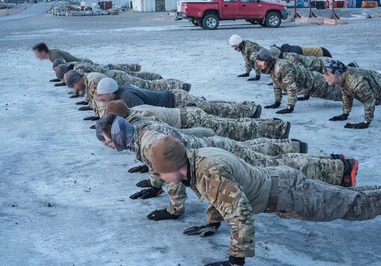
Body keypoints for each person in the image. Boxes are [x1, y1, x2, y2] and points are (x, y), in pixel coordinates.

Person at [147, 137, 381, 266]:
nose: (161, 178)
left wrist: (235, 261)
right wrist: (212, 223)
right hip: (283, 185)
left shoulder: (208, 173)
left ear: (175, 166)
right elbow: (217, 196)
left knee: (355, 205)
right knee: (354, 199)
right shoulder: (197, 158)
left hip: (290, 196)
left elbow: (241, 215)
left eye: (162, 172)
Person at [96, 113, 356, 220]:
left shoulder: (150, 143)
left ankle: (340, 168)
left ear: (117, 137)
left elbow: (171, 174)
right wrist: (154, 187)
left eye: (108, 141)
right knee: (268, 159)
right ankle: (309, 151)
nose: (108, 146)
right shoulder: (139, 133)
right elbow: (156, 168)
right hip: (212, 147)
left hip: (218, 152)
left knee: (275, 166)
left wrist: (174, 210)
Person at [105, 100, 290, 142]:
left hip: (190, 120)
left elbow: (169, 133)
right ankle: (272, 124)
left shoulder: (143, 117)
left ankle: (277, 128)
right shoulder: (135, 111)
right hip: (188, 116)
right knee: (231, 126)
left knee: (234, 129)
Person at [96, 77, 260, 119]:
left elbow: (141, 113)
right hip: (174, 99)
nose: (101, 98)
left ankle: (249, 109)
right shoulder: (121, 92)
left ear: (111, 92)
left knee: (212, 108)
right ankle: (247, 108)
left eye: (102, 95)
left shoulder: (127, 96)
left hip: (177, 100)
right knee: (210, 106)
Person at [255, 48, 340, 114]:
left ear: (267, 61)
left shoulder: (281, 67)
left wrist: (290, 107)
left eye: (260, 62)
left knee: (341, 93)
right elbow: (277, 84)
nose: (258, 65)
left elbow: (291, 87)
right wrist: (277, 102)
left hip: (315, 84)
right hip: (308, 86)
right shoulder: (273, 68)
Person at [321, 60, 381, 129]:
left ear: (337, 74)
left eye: (327, 74)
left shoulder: (356, 82)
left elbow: (369, 100)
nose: (325, 77)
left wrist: (366, 121)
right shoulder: (343, 77)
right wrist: (345, 113)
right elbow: (347, 94)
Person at [55, 64, 189, 93]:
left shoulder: (83, 72)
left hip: (119, 78)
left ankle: (180, 85)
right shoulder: (80, 75)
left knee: (149, 85)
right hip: (115, 78)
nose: (75, 89)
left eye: (74, 86)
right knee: (147, 84)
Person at [31, 42, 140, 73]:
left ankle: (132, 68)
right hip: (82, 63)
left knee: (107, 69)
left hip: (84, 65)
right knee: (106, 68)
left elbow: (65, 67)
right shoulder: (53, 53)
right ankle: (132, 67)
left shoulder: (54, 56)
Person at [52, 57, 163, 82]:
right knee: (134, 75)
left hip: (114, 75)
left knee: (137, 77)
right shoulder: (73, 67)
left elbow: (84, 82)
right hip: (110, 74)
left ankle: (156, 77)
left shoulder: (78, 70)